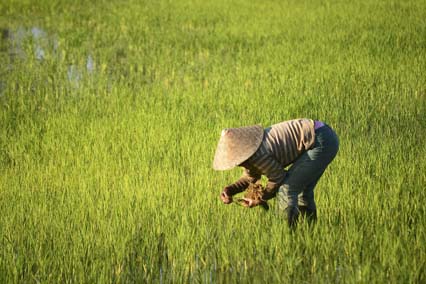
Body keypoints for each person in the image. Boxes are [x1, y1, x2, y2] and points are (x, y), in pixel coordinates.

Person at [212, 118, 339, 227]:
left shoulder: (259, 154)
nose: (236, 163)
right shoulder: (251, 151)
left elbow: (278, 177)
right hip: (320, 135)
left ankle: (287, 234)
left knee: (286, 189)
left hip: (320, 141)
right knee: (302, 190)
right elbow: (249, 177)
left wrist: (259, 198)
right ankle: (310, 233)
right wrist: (230, 190)